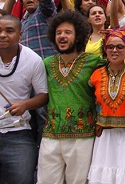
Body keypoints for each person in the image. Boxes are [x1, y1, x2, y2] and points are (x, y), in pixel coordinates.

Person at [37, 10, 104, 184]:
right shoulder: (47, 64)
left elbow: (118, 66)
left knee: (79, 181)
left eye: (67, 32)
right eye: (58, 33)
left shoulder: (94, 62)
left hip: (82, 137)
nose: (62, 36)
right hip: (51, 134)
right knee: (46, 181)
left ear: (79, 35)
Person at [88, 30, 125, 184]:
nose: (114, 50)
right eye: (110, 47)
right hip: (106, 137)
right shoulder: (95, 75)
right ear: (105, 50)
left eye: (120, 47)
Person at [0, 15, 48, 184]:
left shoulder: (33, 59)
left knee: (23, 179)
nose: (2, 35)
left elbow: (44, 95)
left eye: (9, 31)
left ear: (21, 35)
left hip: (19, 132)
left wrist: (24, 105)